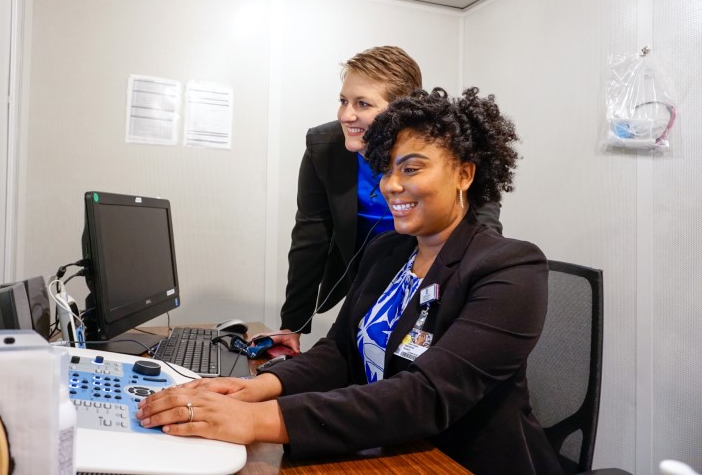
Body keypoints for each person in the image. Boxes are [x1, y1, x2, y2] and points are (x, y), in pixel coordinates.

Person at [135, 87, 562, 475]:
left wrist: (257, 420)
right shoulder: (387, 253)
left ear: (464, 175)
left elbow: (426, 394)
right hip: (390, 447)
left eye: (411, 169)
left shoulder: (510, 267)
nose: (391, 185)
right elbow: (340, 351)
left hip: (459, 462)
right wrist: (256, 389)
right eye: (386, 170)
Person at [277, 46, 502, 352]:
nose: (346, 115)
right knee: (355, 354)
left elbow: (482, 224)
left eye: (363, 104)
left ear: (401, 110)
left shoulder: (445, 146)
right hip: (367, 272)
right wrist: (293, 324)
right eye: (343, 101)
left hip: (433, 269)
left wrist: (477, 287)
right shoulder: (325, 147)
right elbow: (310, 239)